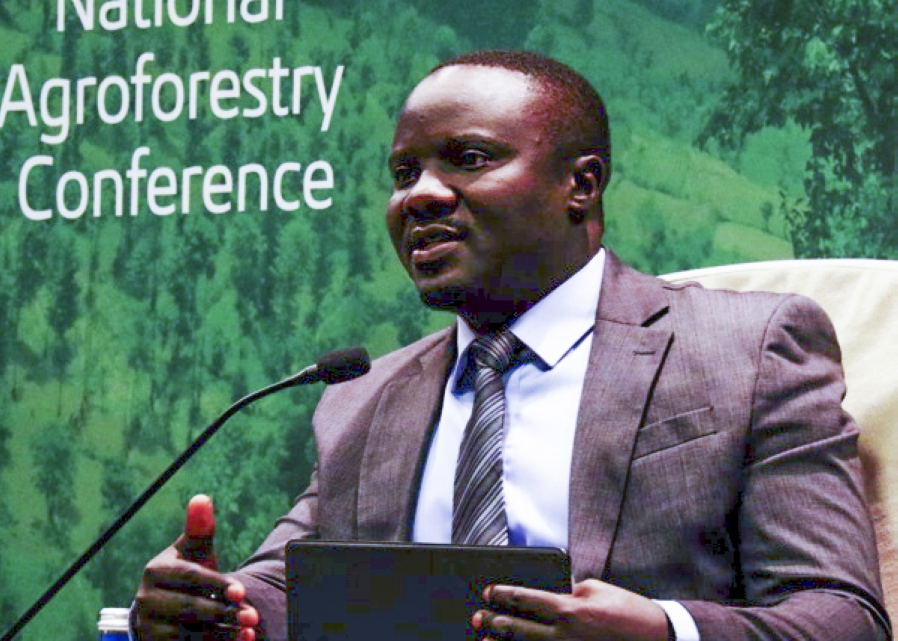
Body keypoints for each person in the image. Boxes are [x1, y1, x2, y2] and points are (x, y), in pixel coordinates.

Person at [133, 50, 891, 640]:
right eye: (404, 173)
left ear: (581, 186)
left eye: (468, 159)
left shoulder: (745, 351)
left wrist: (663, 630)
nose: (419, 196)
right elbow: (284, 592)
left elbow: (843, 618)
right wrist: (211, 607)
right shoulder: (362, 399)